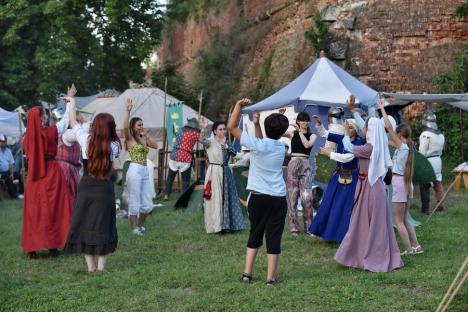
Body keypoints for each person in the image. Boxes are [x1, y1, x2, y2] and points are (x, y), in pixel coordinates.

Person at [228, 98, 289, 285]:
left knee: (255, 234)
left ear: (265, 127)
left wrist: (238, 106)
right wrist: (276, 119)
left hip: (257, 198)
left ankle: (247, 274)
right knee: (274, 237)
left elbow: (232, 127)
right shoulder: (281, 147)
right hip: (277, 199)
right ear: (282, 132)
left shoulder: (256, 145)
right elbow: (268, 139)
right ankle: (270, 279)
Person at [332, 117, 403, 272]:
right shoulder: (376, 145)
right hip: (370, 186)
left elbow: (348, 147)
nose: (364, 129)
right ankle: (362, 254)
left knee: (370, 223)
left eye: (366, 127)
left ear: (370, 129)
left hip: (371, 188)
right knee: (366, 222)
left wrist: (345, 132)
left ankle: (374, 257)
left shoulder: (370, 148)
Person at [64, 96, 121, 272]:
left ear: (94, 126)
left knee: (85, 223)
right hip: (105, 189)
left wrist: (71, 101)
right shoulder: (114, 146)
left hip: (86, 188)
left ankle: (91, 268)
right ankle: (101, 267)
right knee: (104, 224)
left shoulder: (85, 140)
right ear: (111, 128)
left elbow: (73, 121)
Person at [22, 100, 73, 258]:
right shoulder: (50, 133)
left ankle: (33, 249)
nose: (45, 119)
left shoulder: (25, 140)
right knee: (52, 210)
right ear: (39, 119)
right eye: (42, 117)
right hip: (50, 174)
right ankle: (52, 246)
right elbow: (65, 121)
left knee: (34, 211)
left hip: (34, 178)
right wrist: (71, 101)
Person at [309, 113, 364, 243]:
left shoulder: (359, 142)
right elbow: (325, 134)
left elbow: (347, 157)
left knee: (345, 206)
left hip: (352, 178)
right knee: (328, 202)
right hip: (338, 176)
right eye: (346, 127)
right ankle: (323, 231)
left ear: (356, 130)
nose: (347, 130)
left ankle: (342, 236)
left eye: (350, 128)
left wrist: (330, 153)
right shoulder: (341, 138)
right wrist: (319, 124)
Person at [379, 101, 423, 256]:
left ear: (399, 135)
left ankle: (408, 249)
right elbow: (387, 141)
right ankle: (416, 246)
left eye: (395, 134)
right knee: (404, 219)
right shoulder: (405, 147)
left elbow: (389, 128)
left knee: (398, 221)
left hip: (398, 184)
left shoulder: (402, 146)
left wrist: (382, 108)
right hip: (404, 184)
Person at [200, 119, 245, 233]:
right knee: (215, 198)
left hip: (226, 171)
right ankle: (217, 226)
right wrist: (203, 129)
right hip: (214, 171)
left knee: (228, 197)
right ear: (215, 131)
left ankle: (228, 226)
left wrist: (246, 154)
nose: (223, 131)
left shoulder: (227, 142)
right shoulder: (210, 142)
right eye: (220, 129)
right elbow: (202, 140)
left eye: (224, 129)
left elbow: (235, 154)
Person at [123, 99, 158, 236]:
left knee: (147, 203)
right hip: (135, 169)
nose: (141, 126)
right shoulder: (130, 139)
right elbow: (125, 126)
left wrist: (146, 135)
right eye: (139, 125)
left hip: (144, 170)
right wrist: (128, 110)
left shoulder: (142, 139)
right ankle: (134, 229)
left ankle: (139, 226)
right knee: (135, 200)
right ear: (133, 126)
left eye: (142, 124)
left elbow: (155, 146)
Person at [283, 112, 317, 235]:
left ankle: (309, 227)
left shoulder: (312, 135)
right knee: (292, 197)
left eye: (307, 120)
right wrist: (283, 118)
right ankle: (294, 228)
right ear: (297, 121)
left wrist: (300, 132)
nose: (304, 122)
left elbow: (307, 145)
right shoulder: (292, 134)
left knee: (307, 197)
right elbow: (279, 132)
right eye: (302, 120)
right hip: (293, 162)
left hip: (305, 164)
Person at [164, 118, 200, 200]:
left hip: (174, 156)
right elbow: (203, 140)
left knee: (170, 178)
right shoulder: (195, 133)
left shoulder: (179, 130)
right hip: (185, 157)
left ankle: (166, 194)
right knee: (186, 181)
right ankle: (183, 198)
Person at [55, 84, 81, 200]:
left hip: (71, 170)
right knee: (68, 200)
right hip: (66, 172)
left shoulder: (70, 132)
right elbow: (68, 120)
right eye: (76, 115)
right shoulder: (67, 134)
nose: (78, 116)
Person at [419, 111, 445, 213]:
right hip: (438, 160)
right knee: (437, 184)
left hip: (428, 161)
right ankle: (440, 205)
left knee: (425, 185)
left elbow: (422, 151)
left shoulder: (426, 134)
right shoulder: (440, 134)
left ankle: (425, 209)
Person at [0, 134, 23, 199]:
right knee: (7, 177)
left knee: (18, 175)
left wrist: (12, 173)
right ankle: (14, 195)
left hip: (7, 171)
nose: (3, 143)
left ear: (6, 142)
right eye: (2, 142)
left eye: (4, 142)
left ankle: (22, 192)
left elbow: (11, 163)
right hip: (1, 172)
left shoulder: (8, 151)